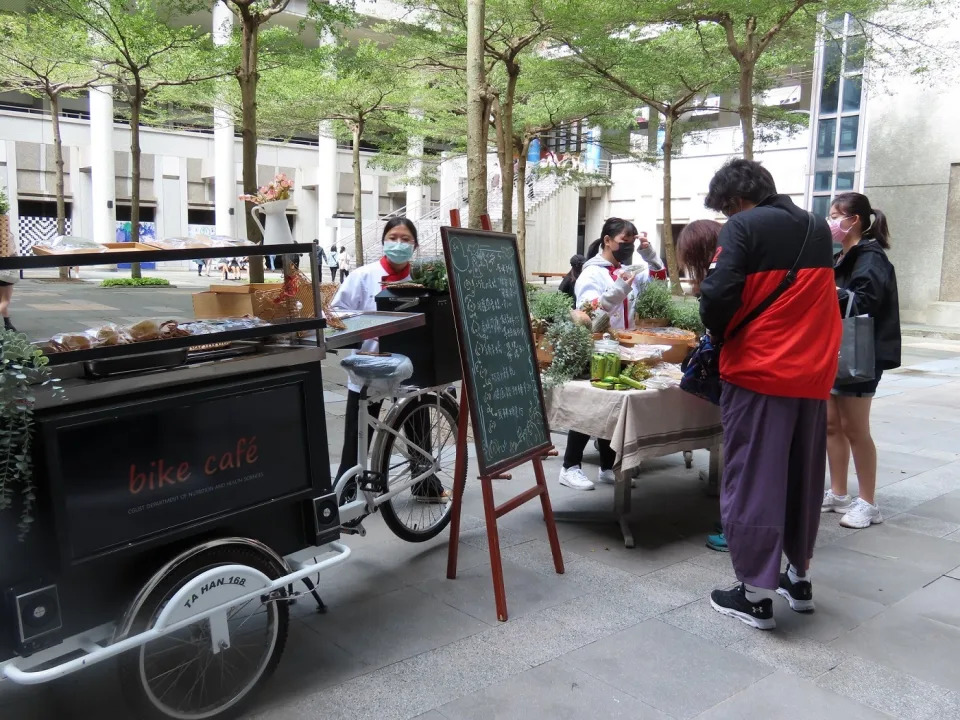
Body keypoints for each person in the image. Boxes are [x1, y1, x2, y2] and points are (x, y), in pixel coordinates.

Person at [698, 159, 841, 630]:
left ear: (736, 201)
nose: (726, 216)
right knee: (801, 474)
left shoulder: (742, 229)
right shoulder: (815, 226)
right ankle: (797, 578)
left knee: (753, 477)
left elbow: (718, 295)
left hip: (759, 370)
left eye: (725, 208)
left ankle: (755, 594)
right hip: (813, 373)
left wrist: (718, 334)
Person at [330, 219, 449, 503]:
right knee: (359, 432)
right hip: (370, 365)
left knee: (419, 429)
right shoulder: (363, 276)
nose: (399, 244)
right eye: (393, 237)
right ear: (383, 241)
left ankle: (424, 483)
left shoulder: (428, 280)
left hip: (413, 365)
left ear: (415, 246)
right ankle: (347, 488)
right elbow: (336, 312)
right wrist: (363, 327)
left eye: (405, 239)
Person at [823, 192, 901, 529]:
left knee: (856, 428)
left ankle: (868, 502)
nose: (831, 222)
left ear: (854, 220)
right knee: (831, 424)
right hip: (838, 350)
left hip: (861, 353)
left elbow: (863, 301)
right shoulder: (845, 255)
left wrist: (821, 289)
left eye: (835, 215)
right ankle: (838, 492)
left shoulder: (871, 257)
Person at [558, 218, 652, 491]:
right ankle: (570, 466)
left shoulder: (627, 270)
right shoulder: (592, 274)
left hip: (622, 346)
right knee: (589, 408)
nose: (629, 247)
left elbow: (657, 279)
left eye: (633, 243)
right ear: (607, 241)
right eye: (625, 242)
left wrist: (649, 255)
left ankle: (607, 466)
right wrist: (621, 288)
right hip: (597, 346)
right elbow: (590, 312)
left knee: (612, 410)